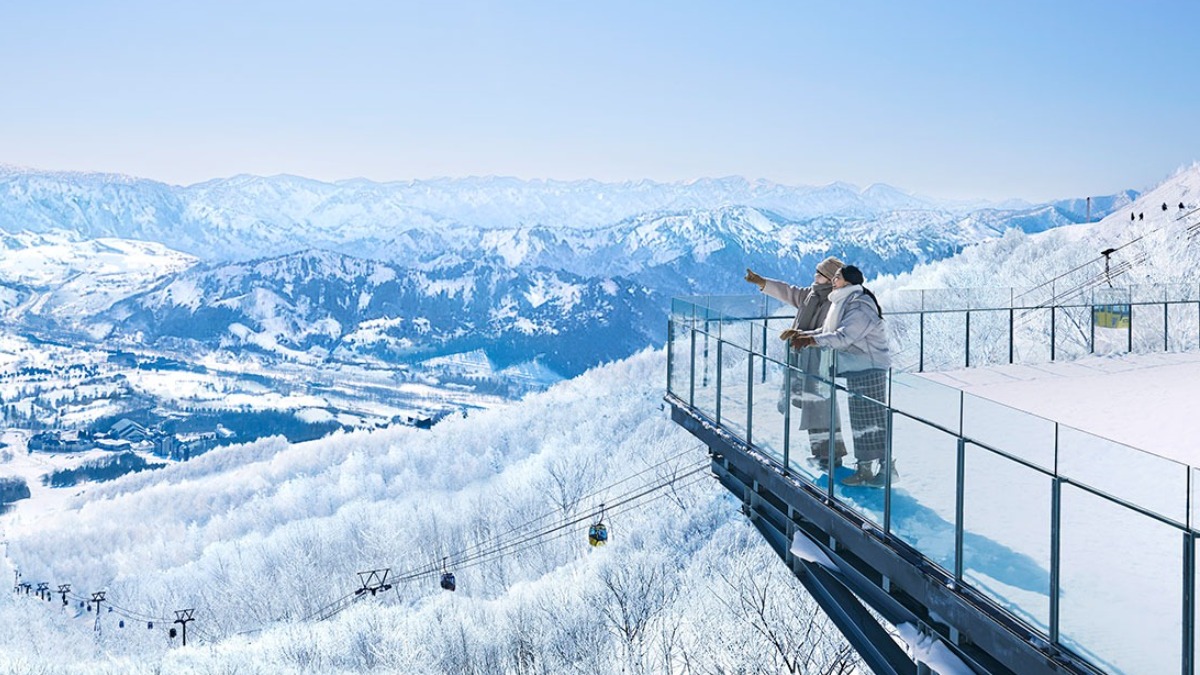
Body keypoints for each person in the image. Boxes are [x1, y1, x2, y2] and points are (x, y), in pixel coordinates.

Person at [790, 265, 893, 487]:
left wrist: (810, 341)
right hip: (857, 367)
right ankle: (865, 469)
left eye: (837, 276)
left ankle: (886, 469)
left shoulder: (859, 306)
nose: (833, 279)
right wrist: (803, 335)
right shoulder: (843, 302)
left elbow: (844, 336)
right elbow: (829, 330)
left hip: (870, 367)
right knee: (861, 420)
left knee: (873, 419)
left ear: (847, 281)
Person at [744, 257, 847, 469]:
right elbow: (787, 291)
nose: (814, 276)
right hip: (804, 360)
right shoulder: (811, 295)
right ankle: (821, 454)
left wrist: (802, 335)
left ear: (829, 278)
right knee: (812, 408)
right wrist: (762, 282)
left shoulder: (835, 302)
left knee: (821, 409)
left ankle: (830, 457)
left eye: (819, 274)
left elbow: (829, 332)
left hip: (820, 362)